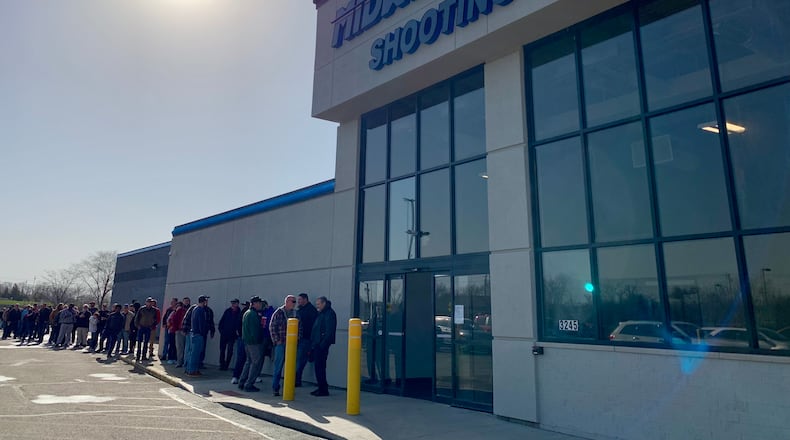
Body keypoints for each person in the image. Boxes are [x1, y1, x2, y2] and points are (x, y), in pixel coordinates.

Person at [269, 295, 296, 396]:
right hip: (281, 344)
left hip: (292, 344)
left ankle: (288, 389)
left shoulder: (295, 313)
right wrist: (277, 341)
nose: (294, 303)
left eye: (295, 302)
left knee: (291, 367)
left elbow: (300, 326)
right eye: (293, 301)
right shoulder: (279, 312)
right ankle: (275, 388)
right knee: (278, 366)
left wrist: (297, 338)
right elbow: (272, 327)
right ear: (287, 302)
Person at [310, 296, 337, 397]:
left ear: (324, 303)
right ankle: (321, 387)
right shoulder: (322, 313)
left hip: (321, 345)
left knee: (320, 367)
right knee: (318, 367)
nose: (317, 306)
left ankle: (323, 389)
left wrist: (322, 344)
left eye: (318, 304)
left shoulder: (329, 313)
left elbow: (329, 331)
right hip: (317, 344)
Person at [238, 296, 265, 392]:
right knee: (255, 363)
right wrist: (258, 340)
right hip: (253, 343)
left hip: (247, 341)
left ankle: (242, 382)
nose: (260, 304)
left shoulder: (247, 313)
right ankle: (249, 384)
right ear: (254, 304)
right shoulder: (253, 314)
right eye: (259, 303)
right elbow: (255, 330)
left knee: (248, 362)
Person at [295, 293, 318, 387]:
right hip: (300, 338)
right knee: (298, 360)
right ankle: (296, 379)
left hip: (306, 339)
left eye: (300, 299)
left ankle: (296, 380)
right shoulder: (301, 309)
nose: (298, 301)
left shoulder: (311, 311)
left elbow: (311, 326)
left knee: (300, 360)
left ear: (305, 299)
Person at [185, 295, 210, 376]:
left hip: (193, 333)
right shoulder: (200, 310)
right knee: (196, 353)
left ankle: (188, 369)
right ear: (204, 301)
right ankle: (192, 370)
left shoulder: (195, 309)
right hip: (198, 334)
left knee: (192, 352)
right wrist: (202, 332)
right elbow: (201, 323)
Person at [218, 299, 242, 370]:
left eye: (234, 303)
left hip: (232, 335)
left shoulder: (239, 313)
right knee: (222, 349)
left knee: (230, 350)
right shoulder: (227, 311)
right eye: (232, 303)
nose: (233, 305)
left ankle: (226, 365)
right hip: (224, 334)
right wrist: (221, 330)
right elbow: (221, 321)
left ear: (237, 304)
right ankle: (221, 364)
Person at [231, 300, 250, 384]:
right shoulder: (246, 312)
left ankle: (237, 376)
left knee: (243, 358)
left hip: (243, 338)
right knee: (243, 358)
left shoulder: (243, 312)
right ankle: (237, 376)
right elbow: (239, 325)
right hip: (244, 338)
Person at [134, 298, 158, 362]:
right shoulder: (142, 309)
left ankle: (144, 356)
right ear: (146, 302)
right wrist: (137, 325)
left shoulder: (154, 310)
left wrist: (152, 326)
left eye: (150, 302)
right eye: (148, 302)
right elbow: (137, 318)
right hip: (141, 327)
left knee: (146, 342)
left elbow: (156, 319)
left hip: (148, 327)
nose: (149, 303)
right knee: (139, 341)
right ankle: (138, 356)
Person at [168, 301, 186, 366]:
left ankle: (179, 362)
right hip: (182, 330)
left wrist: (174, 329)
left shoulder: (179, 311)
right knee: (180, 347)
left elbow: (174, 320)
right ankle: (181, 361)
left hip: (178, 330)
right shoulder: (184, 311)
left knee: (179, 347)